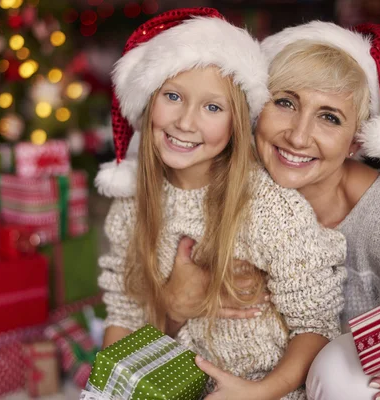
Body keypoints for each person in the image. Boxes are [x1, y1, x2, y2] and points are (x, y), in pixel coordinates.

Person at [164, 21, 380, 400]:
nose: (299, 136)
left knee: (344, 369)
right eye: (284, 102)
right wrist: (175, 304)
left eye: (330, 117)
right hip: (226, 378)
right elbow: (147, 321)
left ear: (356, 140)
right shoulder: (222, 177)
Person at [93, 8, 346, 400]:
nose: (186, 122)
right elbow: (124, 316)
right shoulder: (132, 204)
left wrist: (260, 391)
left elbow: (314, 325)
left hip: (262, 389)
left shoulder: (268, 207)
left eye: (212, 107)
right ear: (148, 101)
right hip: (169, 387)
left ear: (236, 123)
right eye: (173, 96)